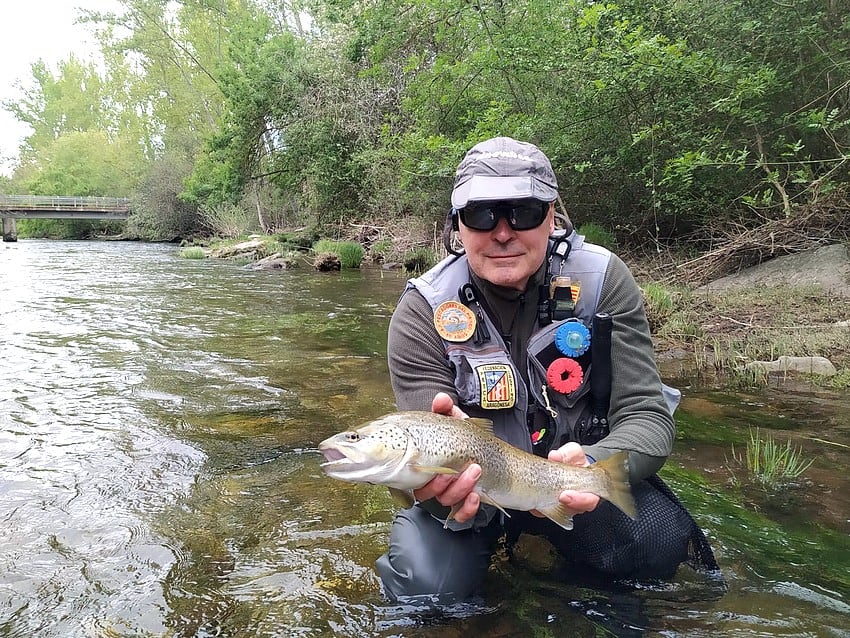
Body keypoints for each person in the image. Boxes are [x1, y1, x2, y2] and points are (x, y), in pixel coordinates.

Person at [376, 137, 718, 603]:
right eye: (480, 215)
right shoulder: (422, 310)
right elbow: (421, 456)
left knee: (654, 548)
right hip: (476, 494)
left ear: (552, 215)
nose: (502, 232)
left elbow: (647, 418)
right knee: (425, 589)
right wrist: (435, 484)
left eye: (523, 212)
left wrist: (595, 466)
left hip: (569, 481)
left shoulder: (603, 282)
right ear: (458, 226)